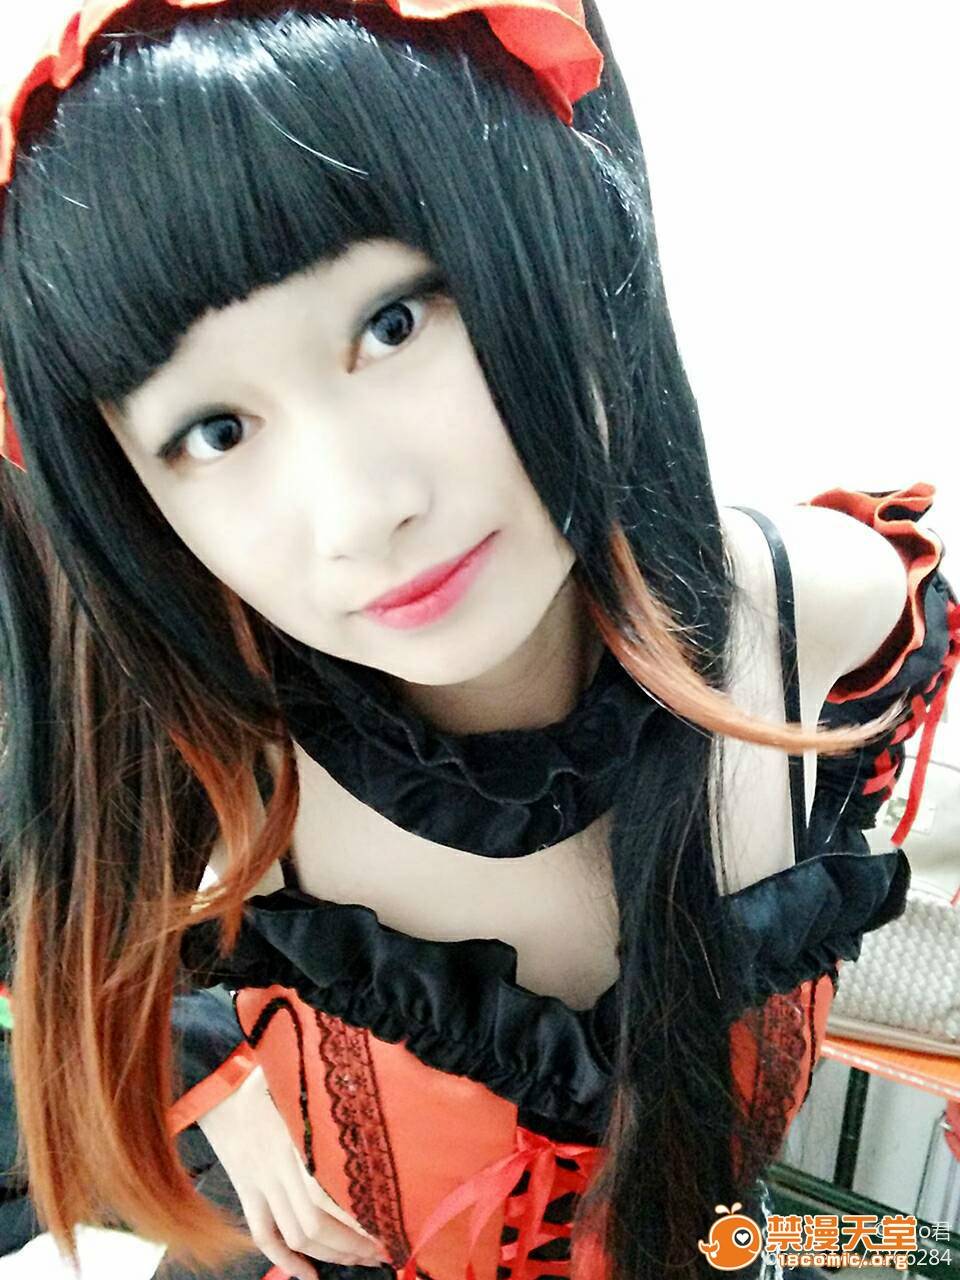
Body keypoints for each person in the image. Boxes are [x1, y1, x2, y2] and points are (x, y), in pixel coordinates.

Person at [0, 2, 956, 1278]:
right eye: (214, 431)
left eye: (395, 322)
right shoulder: (209, 749)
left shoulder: (828, 611)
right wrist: (219, 1083)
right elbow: (65, 926)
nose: (362, 512)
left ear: (567, 233)